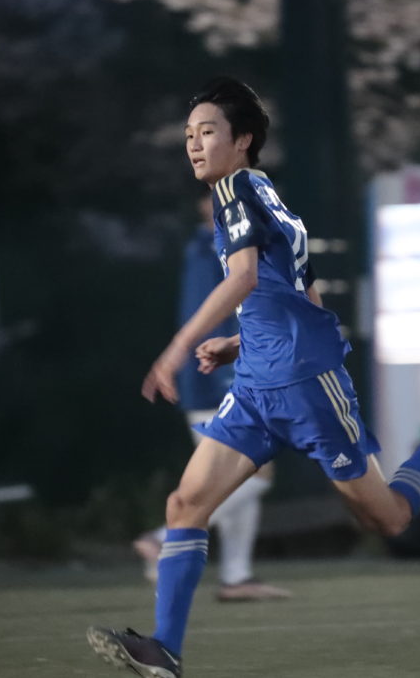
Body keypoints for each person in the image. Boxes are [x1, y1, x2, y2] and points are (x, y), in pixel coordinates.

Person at [87, 77, 420, 678]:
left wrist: (177, 348)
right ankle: (164, 650)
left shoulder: (234, 193)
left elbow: (245, 277)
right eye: (189, 134)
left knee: (388, 519)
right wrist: (239, 344)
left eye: (208, 132)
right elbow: (298, 288)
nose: (193, 144)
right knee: (186, 503)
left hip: (306, 386)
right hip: (255, 384)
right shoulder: (260, 190)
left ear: (243, 139)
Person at [132, 195, 292, 602]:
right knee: (255, 476)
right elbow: (213, 317)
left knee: (240, 477)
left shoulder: (212, 246)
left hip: (213, 377)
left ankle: (236, 577)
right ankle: (164, 538)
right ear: (205, 205)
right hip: (216, 377)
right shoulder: (212, 250)